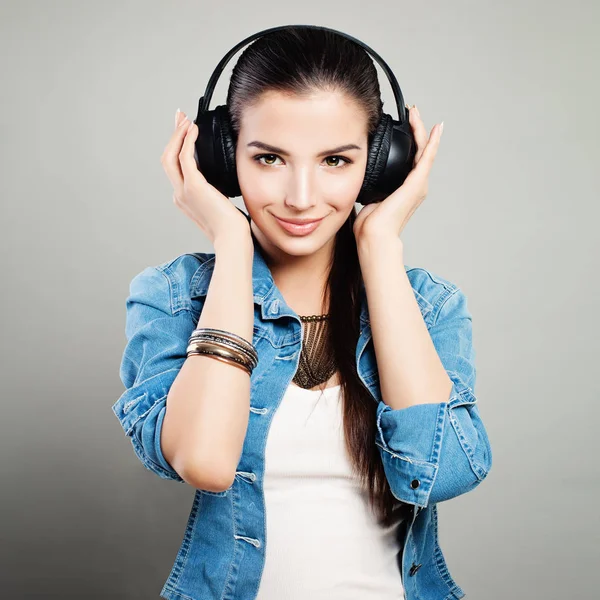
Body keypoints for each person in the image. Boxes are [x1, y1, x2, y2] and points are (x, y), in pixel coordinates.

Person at [112, 26, 493, 600]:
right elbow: (207, 461)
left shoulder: (429, 305)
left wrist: (381, 246)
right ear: (220, 158)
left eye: (336, 160)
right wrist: (232, 245)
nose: (300, 196)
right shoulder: (174, 296)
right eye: (269, 158)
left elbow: (438, 474)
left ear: (380, 166)